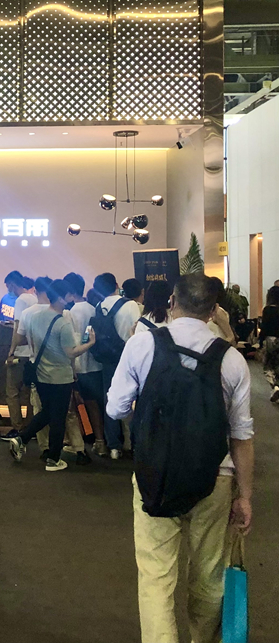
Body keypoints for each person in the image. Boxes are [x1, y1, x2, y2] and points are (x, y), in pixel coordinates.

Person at [106, 274, 254, 643]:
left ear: (172, 302)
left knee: (156, 576)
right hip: (215, 477)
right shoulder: (231, 359)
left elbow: (115, 408)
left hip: (155, 474)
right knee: (209, 575)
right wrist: (245, 496)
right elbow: (241, 435)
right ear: (214, 310)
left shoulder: (142, 344)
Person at [9, 280, 97, 472]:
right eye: (69, 295)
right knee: (58, 417)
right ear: (63, 297)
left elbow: (29, 342)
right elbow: (71, 352)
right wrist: (90, 343)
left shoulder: (34, 317)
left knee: (48, 412)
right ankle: (53, 459)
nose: (71, 298)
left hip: (41, 375)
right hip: (60, 377)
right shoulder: (63, 323)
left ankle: (22, 438)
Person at [93, 272, 143, 460]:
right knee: (135, 399)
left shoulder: (99, 306)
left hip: (107, 360)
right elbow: (138, 332)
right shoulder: (130, 305)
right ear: (116, 285)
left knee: (111, 400)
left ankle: (114, 446)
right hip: (129, 358)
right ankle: (134, 443)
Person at [63, 273, 108, 456]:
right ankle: (102, 440)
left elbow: (72, 342)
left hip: (81, 365)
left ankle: (95, 440)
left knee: (87, 405)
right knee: (98, 404)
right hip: (97, 363)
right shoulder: (93, 308)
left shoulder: (72, 312)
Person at [3, 273, 38, 439]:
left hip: (20, 352)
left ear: (12, 284)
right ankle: (30, 427)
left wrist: (11, 351)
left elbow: (18, 328)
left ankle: (17, 428)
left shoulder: (20, 300)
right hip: (32, 353)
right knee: (29, 392)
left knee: (12, 392)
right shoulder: (34, 299)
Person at [260, 285, 279, 403]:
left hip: (271, 340)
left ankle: (275, 386)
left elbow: (264, 327)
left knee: (268, 366)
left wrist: (260, 341)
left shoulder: (268, 310)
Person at [207, 277, 238, 346]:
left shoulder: (218, 312)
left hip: (217, 349)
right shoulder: (208, 311)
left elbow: (230, 337)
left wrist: (216, 347)